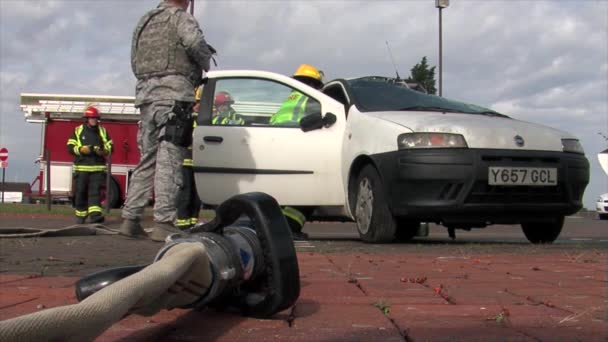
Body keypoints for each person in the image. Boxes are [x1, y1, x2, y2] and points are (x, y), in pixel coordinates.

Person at [119, 0, 214, 241]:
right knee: (170, 158)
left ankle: (130, 218)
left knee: (147, 157)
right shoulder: (181, 18)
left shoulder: (145, 21)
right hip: (174, 97)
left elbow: (134, 61)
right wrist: (205, 60)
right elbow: (194, 44)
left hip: (145, 97)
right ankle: (163, 221)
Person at [270, 64, 325, 240]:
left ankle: (280, 227)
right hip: (298, 146)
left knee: (286, 192)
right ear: (312, 83)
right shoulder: (311, 99)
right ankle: (290, 228)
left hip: (278, 146)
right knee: (310, 191)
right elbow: (311, 123)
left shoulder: (290, 99)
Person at [67, 106, 113, 224]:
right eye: (91, 118)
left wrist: (103, 151)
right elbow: (70, 147)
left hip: (97, 168)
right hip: (82, 168)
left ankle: (95, 216)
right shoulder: (78, 130)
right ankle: (81, 215)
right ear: (86, 119)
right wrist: (82, 149)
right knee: (80, 192)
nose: (93, 120)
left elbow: (110, 146)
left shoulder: (102, 131)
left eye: (95, 118)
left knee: (95, 193)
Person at [176, 86, 203, 230]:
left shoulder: (202, 119)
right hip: (186, 162)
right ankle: (183, 223)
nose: (198, 105)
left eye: (200, 102)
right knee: (186, 193)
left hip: (199, 162)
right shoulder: (187, 119)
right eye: (196, 102)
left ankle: (192, 222)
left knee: (197, 195)